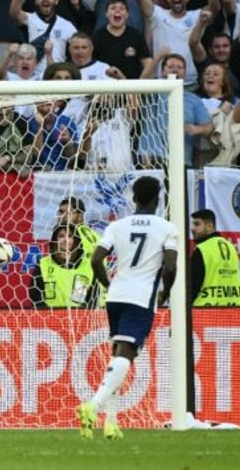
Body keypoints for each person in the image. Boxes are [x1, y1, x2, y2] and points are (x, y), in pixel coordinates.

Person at [79, 176, 178, 440]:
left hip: (116, 295)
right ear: (158, 199)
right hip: (141, 296)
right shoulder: (167, 227)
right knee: (126, 354)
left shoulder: (117, 225)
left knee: (118, 355)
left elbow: (97, 259)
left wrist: (107, 284)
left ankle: (111, 423)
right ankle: (94, 406)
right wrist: (164, 293)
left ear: (133, 198)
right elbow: (169, 267)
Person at [29, 223, 97, 309]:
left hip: (80, 319)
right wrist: (47, 316)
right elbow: (35, 296)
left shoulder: (88, 266)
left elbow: (93, 298)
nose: (66, 240)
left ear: (76, 240)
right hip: (49, 318)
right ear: (55, 240)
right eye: (61, 236)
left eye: (70, 236)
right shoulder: (43, 264)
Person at [189, 209, 240, 306]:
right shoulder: (231, 247)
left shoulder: (202, 249)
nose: (192, 228)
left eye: (197, 224)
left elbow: (192, 286)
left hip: (206, 312)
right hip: (235, 310)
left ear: (209, 226)